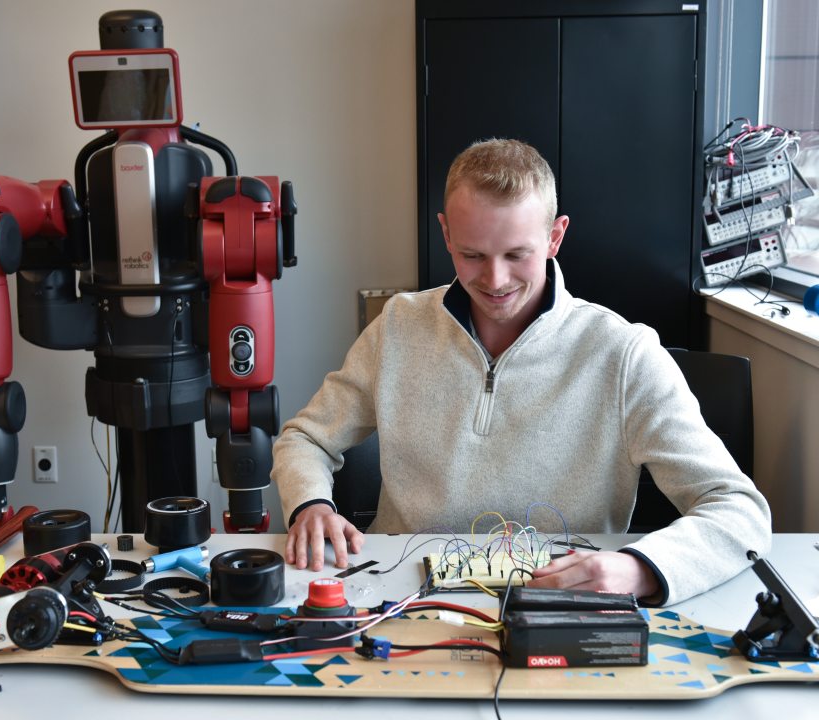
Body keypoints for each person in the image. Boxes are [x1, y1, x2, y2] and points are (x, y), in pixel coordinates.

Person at [270, 138, 771, 606]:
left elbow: (738, 509)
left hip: (561, 601)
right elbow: (305, 439)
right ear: (445, 233)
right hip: (401, 594)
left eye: (517, 254)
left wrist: (641, 568)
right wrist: (311, 505)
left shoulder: (623, 353)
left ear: (555, 237)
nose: (495, 279)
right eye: (472, 254)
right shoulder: (398, 326)